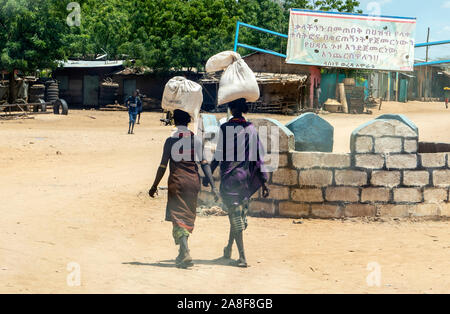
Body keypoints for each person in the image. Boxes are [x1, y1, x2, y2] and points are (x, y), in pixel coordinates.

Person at [149, 109, 219, 268]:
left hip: (177, 182)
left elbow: (162, 166)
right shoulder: (197, 140)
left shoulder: (170, 141)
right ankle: (182, 254)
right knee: (187, 216)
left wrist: (154, 186)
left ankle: (186, 251)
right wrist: (213, 187)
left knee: (177, 216)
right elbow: (205, 164)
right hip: (193, 182)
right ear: (188, 121)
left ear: (174, 121)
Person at [205, 98, 269, 268]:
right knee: (237, 216)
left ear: (231, 109)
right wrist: (263, 181)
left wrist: (208, 174)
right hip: (246, 181)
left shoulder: (225, 128)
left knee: (236, 219)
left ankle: (242, 257)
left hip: (230, 180)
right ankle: (228, 249)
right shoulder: (251, 129)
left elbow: (218, 155)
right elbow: (259, 157)